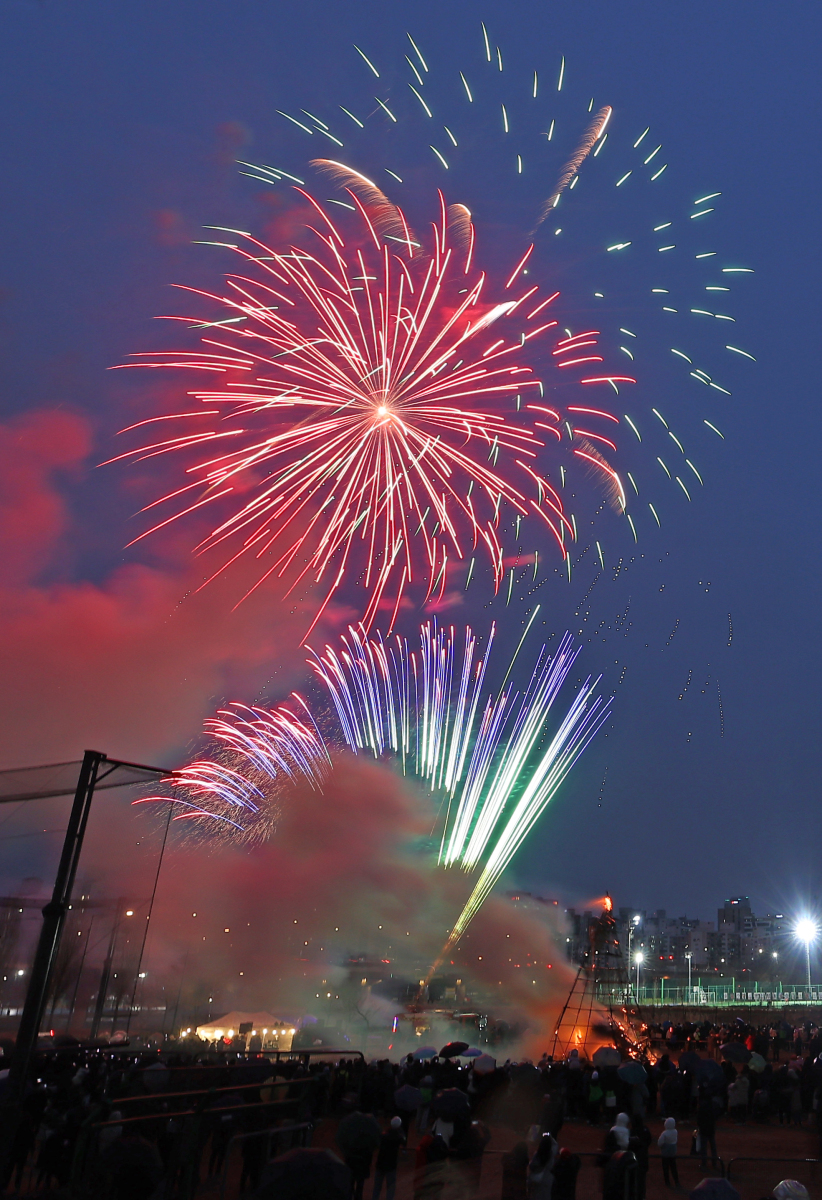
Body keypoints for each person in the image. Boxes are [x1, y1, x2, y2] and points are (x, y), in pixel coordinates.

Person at [372, 1117, 404, 1200]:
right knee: (390, 1188)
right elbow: (403, 1140)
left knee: (377, 1187)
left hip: (380, 1163)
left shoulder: (383, 1136)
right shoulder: (398, 1137)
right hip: (391, 1165)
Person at [527, 1132, 557, 1199]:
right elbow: (555, 1145)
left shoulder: (537, 1155)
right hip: (547, 1179)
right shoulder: (552, 1154)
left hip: (537, 1179)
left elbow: (532, 1166)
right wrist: (549, 1136)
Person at [696, 1087, 719, 1171]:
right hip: (711, 1128)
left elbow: (699, 1118)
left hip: (704, 1128)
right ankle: (714, 1163)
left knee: (704, 1147)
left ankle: (704, 1164)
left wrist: (699, 1125)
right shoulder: (714, 1105)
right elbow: (716, 1116)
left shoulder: (702, 1106)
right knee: (713, 1146)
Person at [658, 1116, 679, 1188]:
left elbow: (660, 1143)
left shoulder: (664, 1133)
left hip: (665, 1152)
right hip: (673, 1151)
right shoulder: (675, 1131)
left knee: (665, 1167)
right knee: (673, 1167)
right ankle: (676, 1181)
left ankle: (667, 1182)